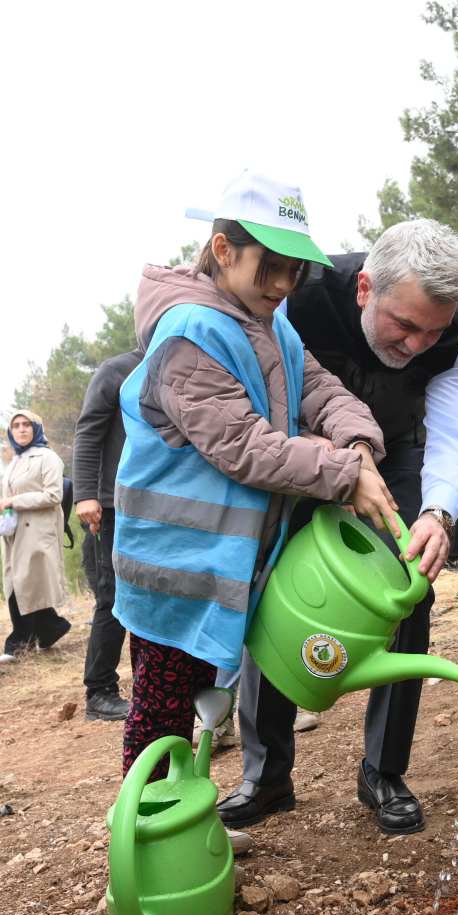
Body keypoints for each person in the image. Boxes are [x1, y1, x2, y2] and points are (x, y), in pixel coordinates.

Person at [113, 171, 394, 778]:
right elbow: (244, 446)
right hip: (176, 564)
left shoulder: (267, 321)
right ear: (223, 249)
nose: (285, 284)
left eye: (296, 270)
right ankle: (148, 826)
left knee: (199, 709)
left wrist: (357, 442)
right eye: (271, 267)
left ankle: (187, 816)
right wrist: (345, 472)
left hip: (223, 560)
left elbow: (318, 387)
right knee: (161, 716)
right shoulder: (191, 333)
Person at [220, 219, 458, 836]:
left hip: (399, 452)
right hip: (301, 450)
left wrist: (438, 513)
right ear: (365, 288)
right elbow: (257, 405)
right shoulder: (300, 295)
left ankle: (383, 771)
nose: (417, 345)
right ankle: (266, 772)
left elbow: (451, 430)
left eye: (432, 331)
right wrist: (332, 461)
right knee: (276, 587)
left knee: (410, 591)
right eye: (405, 325)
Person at [72, 348, 142, 720]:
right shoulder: (117, 369)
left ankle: (150, 685)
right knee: (112, 596)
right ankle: (99, 692)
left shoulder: (176, 363)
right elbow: (87, 432)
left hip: (154, 504)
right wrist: (85, 494)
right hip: (110, 505)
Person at [0, 411, 71, 662]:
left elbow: (54, 495)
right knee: (19, 583)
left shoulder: (48, 457)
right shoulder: (15, 460)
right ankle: (52, 628)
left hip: (38, 531)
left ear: (36, 428)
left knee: (25, 584)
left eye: (26, 425)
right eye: (16, 425)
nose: (21, 429)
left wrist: (13, 501)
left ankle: (18, 644)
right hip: (15, 531)